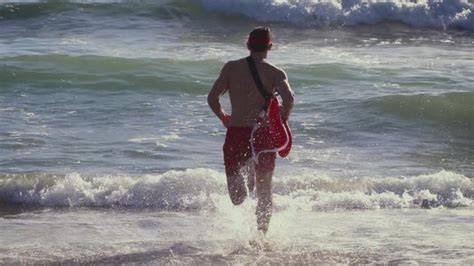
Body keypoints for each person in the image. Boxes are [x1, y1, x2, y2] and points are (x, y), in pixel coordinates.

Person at [207, 26, 294, 234]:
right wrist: (280, 119)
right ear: (270, 46)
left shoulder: (231, 68)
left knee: (237, 198)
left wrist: (223, 117)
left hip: (237, 132)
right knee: (264, 191)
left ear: (247, 46)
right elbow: (289, 99)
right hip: (263, 135)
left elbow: (212, 98)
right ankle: (261, 237)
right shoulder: (276, 73)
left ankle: (247, 167)